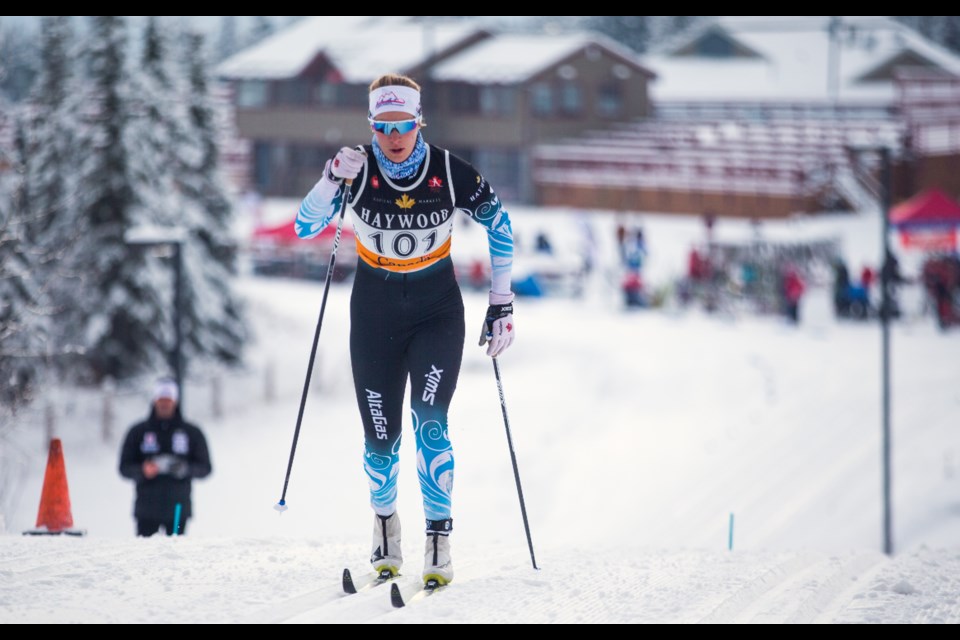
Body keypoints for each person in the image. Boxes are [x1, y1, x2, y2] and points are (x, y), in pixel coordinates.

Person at [294, 74, 515, 587]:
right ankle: (387, 526)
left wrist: (501, 303)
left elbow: (499, 223)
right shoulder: (356, 171)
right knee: (380, 440)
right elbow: (306, 226)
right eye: (383, 125)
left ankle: (439, 540)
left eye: (404, 124)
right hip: (374, 315)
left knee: (430, 422)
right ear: (372, 124)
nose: (394, 136)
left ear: (420, 121)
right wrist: (329, 177)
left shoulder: (446, 169)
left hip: (436, 310)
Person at [119, 379, 212, 537]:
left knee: (175, 553)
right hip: (146, 509)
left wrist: (185, 469)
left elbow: (205, 467)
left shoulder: (191, 432)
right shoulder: (138, 432)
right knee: (145, 556)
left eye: (168, 400)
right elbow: (124, 467)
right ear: (155, 400)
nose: (164, 404)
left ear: (175, 401)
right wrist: (143, 470)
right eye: (161, 399)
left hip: (178, 508)